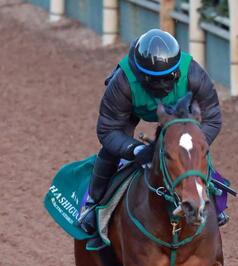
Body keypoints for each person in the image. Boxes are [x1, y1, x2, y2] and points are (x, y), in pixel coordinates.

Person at [78, 28, 229, 237]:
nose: (163, 85)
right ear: (140, 74)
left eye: (169, 77)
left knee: (192, 154)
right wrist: (136, 150)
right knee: (110, 152)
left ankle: (215, 204)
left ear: (177, 69)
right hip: (132, 110)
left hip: (181, 111)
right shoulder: (122, 81)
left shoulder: (193, 73)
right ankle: (93, 204)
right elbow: (107, 129)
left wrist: (192, 145)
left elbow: (212, 118)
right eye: (154, 80)